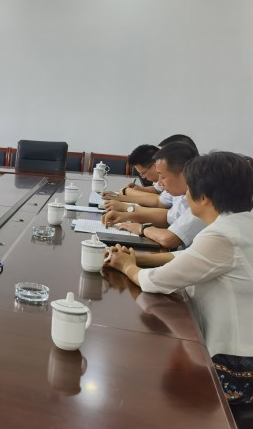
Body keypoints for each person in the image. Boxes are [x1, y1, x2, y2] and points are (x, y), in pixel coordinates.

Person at [104, 151, 253, 404]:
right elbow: (190, 260)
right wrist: (136, 258)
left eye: (189, 189)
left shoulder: (222, 235)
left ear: (203, 196)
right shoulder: (241, 224)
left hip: (234, 368)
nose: (185, 195)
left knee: (140, 377)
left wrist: (126, 266)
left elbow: (154, 282)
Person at [102, 142, 205, 249]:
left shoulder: (201, 200)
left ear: (184, 172)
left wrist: (141, 228)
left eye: (163, 176)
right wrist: (127, 216)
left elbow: (168, 239)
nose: (159, 182)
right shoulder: (184, 194)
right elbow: (167, 217)